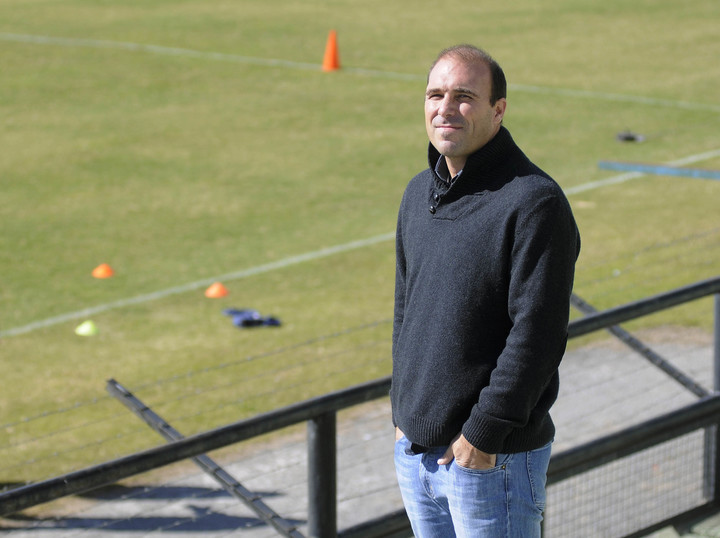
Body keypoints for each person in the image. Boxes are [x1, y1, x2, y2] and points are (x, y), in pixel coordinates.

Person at [391, 44, 581, 537]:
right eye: (435, 94)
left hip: (489, 463)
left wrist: (482, 435)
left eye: (464, 96)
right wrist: (403, 410)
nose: (445, 108)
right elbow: (405, 312)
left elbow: (537, 338)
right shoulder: (417, 194)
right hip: (416, 453)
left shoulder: (535, 203)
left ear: (498, 111)